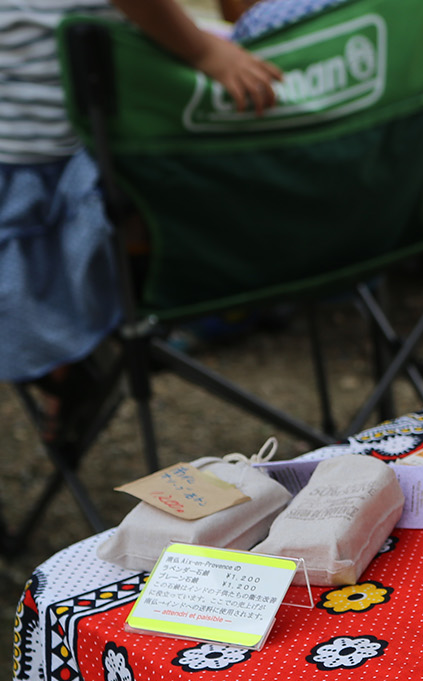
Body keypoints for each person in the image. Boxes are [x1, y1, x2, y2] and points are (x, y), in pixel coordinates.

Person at [0, 0, 279, 443]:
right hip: (67, 164)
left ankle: (74, 357)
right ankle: (82, 348)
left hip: (50, 161)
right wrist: (205, 51)